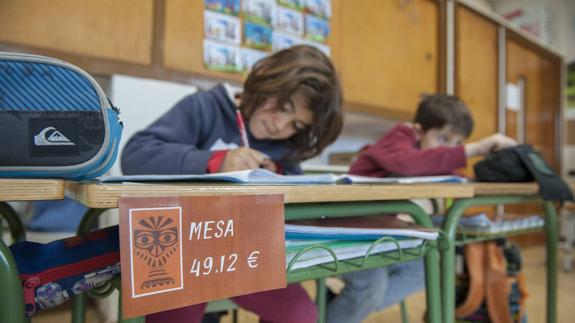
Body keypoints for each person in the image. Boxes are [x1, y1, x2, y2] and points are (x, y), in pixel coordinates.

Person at [121, 45, 343, 323]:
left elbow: (298, 196)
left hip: (247, 257)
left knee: (300, 315)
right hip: (182, 252)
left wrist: (277, 176)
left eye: (296, 125)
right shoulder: (204, 107)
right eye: (282, 107)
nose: (280, 125)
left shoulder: (283, 148)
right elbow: (136, 155)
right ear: (264, 78)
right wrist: (217, 161)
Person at [326, 94, 517, 323]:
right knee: (371, 287)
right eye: (443, 138)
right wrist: (472, 149)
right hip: (347, 235)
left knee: (424, 270)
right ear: (418, 132)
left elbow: (454, 178)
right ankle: (338, 312)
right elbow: (407, 163)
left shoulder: (431, 159)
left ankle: (340, 307)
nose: (450, 148)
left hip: (381, 236)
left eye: (456, 143)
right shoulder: (400, 136)